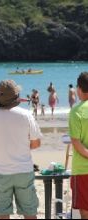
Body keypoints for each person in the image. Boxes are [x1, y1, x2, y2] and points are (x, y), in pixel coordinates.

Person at [0, 80, 42, 219]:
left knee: (2, 212)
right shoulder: (26, 115)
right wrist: (21, 148)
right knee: (30, 211)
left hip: (1, 171)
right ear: (16, 96)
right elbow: (36, 143)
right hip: (23, 170)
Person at [69, 72, 88, 219]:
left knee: (85, 211)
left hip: (82, 169)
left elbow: (76, 142)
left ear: (79, 89)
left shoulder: (76, 111)